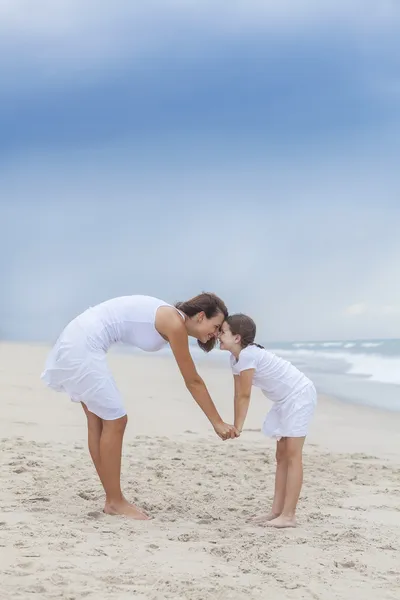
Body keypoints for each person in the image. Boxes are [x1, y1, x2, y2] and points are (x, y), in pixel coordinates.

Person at [41, 293, 239, 519]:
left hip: (78, 338)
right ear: (201, 316)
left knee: (99, 420)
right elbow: (192, 380)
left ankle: (112, 499)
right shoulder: (174, 322)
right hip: (83, 344)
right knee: (116, 420)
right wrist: (217, 421)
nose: (215, 333)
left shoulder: (171, 318)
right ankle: (115, 501)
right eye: (215, 326)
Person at [218, 314, 317, 528]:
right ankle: (277, 511)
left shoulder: (248, 356)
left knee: (292, 455)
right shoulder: (235, 358)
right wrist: (237, 425)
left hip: (299, 395)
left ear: (237, 337)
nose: (218, 335)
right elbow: (238, 394)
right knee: (281, 455)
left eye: (222, 331)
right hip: (284, 400)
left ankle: (289, 516)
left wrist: (239, 427)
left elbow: (245, 395)